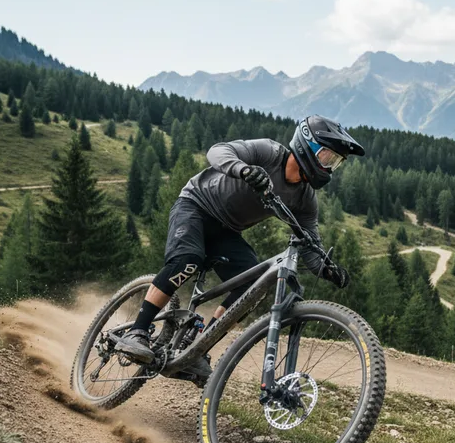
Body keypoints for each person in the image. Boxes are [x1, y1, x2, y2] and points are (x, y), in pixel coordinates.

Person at [116, 115, 365, 372]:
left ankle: (197, 347)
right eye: (327, 157)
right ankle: (137, 331)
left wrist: (327, 269)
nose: (329, 166)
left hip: (226, 231)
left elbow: (310, 243)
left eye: (335, 162)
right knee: (187, 260)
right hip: (195, 207)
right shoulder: (270, 153)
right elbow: (218, 151)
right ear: (307, 145)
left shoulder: (305, 200)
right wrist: (243, 169)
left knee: (251, 287)